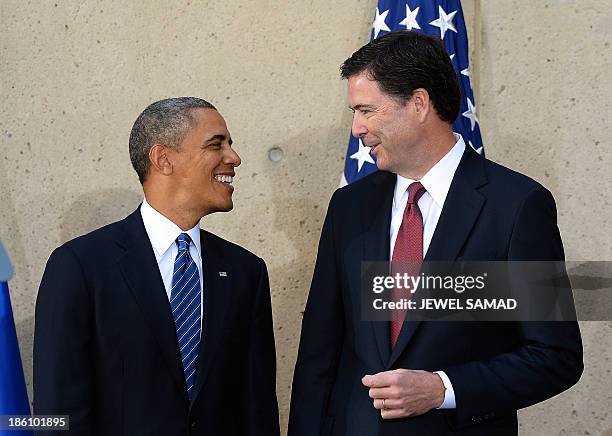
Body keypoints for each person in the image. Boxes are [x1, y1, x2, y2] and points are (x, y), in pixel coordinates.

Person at [288, 31, 583, 436]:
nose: (357, 128)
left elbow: (554, 356)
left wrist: (443, 388)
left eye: (366, 111)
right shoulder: (349, 207)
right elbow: (319, 354)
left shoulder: (516, 206)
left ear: (419, 103)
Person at [34, 97, 280, 436]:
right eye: (216, 144)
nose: (233, 158)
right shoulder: (80, 266)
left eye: (230, 145)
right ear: (163, 159)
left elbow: (258, 408)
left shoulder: (245, 272)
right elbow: (56, 412)